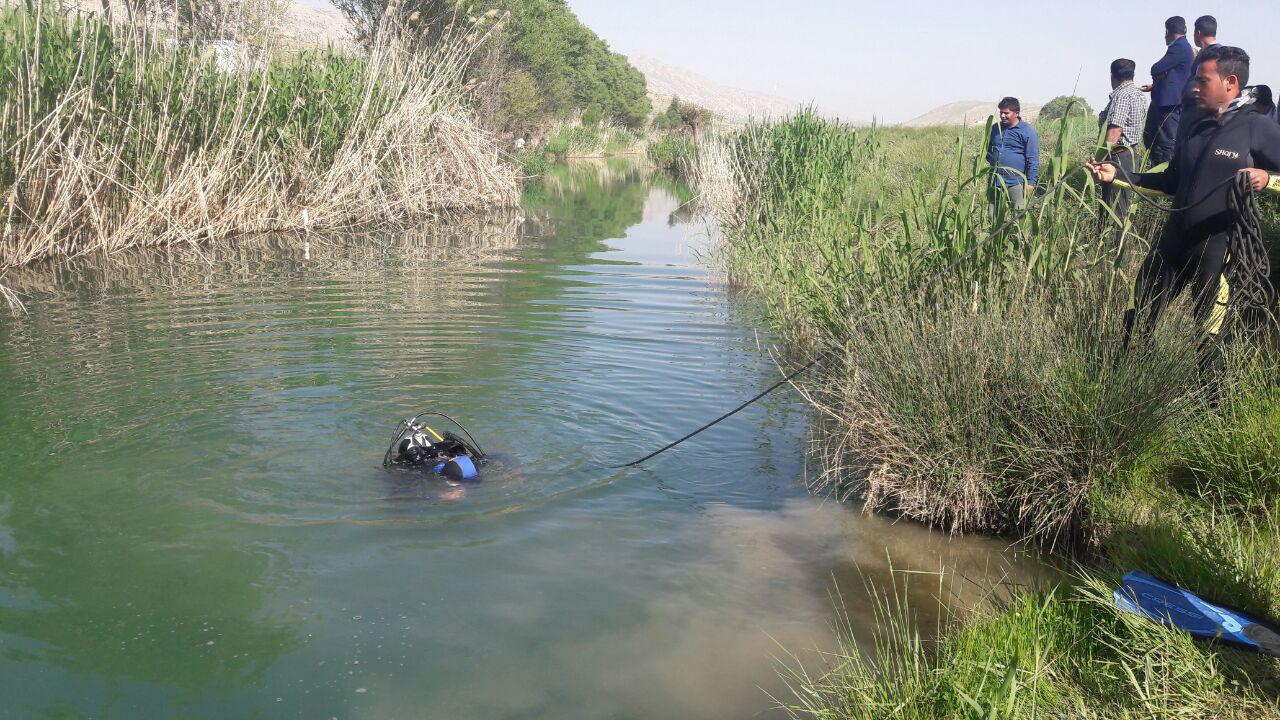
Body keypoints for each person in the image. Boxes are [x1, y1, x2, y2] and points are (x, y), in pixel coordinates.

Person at [1086, 46, 1280, 360]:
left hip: (1216, 249)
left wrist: (1266, 178)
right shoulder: (1194, 125)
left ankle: (1210, 404)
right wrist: (1118, 174)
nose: (1193, 87)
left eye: (1202, 80)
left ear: (1230, 82)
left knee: (1208, 339)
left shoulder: (1256, 128)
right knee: (1137, 318)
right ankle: (1129, 381)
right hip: (1172, 242)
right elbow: (1170, 182)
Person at [1097, 58, 1147, 250]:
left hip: (1117, 156)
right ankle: (1115, 248)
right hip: (1130, 155)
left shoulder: (1121, 95)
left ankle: (1109, 251)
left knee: (1113, 206)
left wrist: (1103, 157)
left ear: (1112, 76)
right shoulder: (1138, 94)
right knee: (1122, 205)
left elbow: (1115, 129)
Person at [1140, 16, 1194, 165]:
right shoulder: (1183, 46)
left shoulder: (1179, 47)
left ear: (1168, 31)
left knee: (1164, 142)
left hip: (1170, 103)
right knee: (1154, 138)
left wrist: (1160, 74)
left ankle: (1161, 170)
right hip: (1168, 101)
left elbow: (1156, 68)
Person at [987, 97, 1039, 214]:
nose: (1002, 116)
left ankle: (1015, 233)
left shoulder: (1028, 131)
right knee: (992, 216)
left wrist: (1031, 183)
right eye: (1001, 112)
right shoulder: (995, 128)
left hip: (1015, 182)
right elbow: (988, 151)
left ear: (1016, 113)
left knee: (1017, 216)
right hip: (995, 181)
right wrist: (993, 163)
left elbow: (1033, 159)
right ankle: (996, 233)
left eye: (1006, 113)